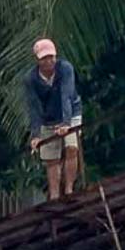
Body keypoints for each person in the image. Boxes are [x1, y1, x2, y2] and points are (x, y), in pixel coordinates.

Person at [24, 38, 83, 201]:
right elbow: (34, 107)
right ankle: (55, 195)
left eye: (51, 57)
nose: (49, 61)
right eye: (44, 58)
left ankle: (69, 189)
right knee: (51, 159)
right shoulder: (31, 79)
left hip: (71, 112)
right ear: (38, 60)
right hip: (48, 118)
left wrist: (66, 123)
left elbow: (66, 95)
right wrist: (35, 135)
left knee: (72, 147)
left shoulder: (65, 68)